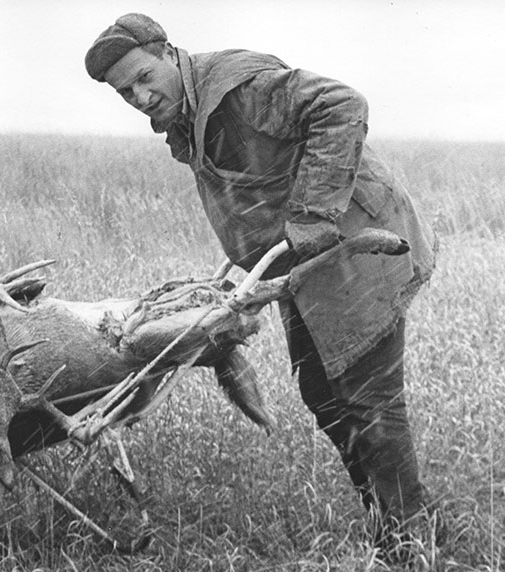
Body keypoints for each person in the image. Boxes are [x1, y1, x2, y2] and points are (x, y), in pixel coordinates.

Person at [85, 13, 438, 556]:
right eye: (125, 91)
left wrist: (314, 210)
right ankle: (390, 515)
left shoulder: (242, 87)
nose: (139, 96)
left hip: (356, 241)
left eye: (144, 77)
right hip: (305, 268)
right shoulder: (186, 110)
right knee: (323, 395)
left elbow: (342, 105)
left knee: (368, 398)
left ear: (170, 53)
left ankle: (412, 543)